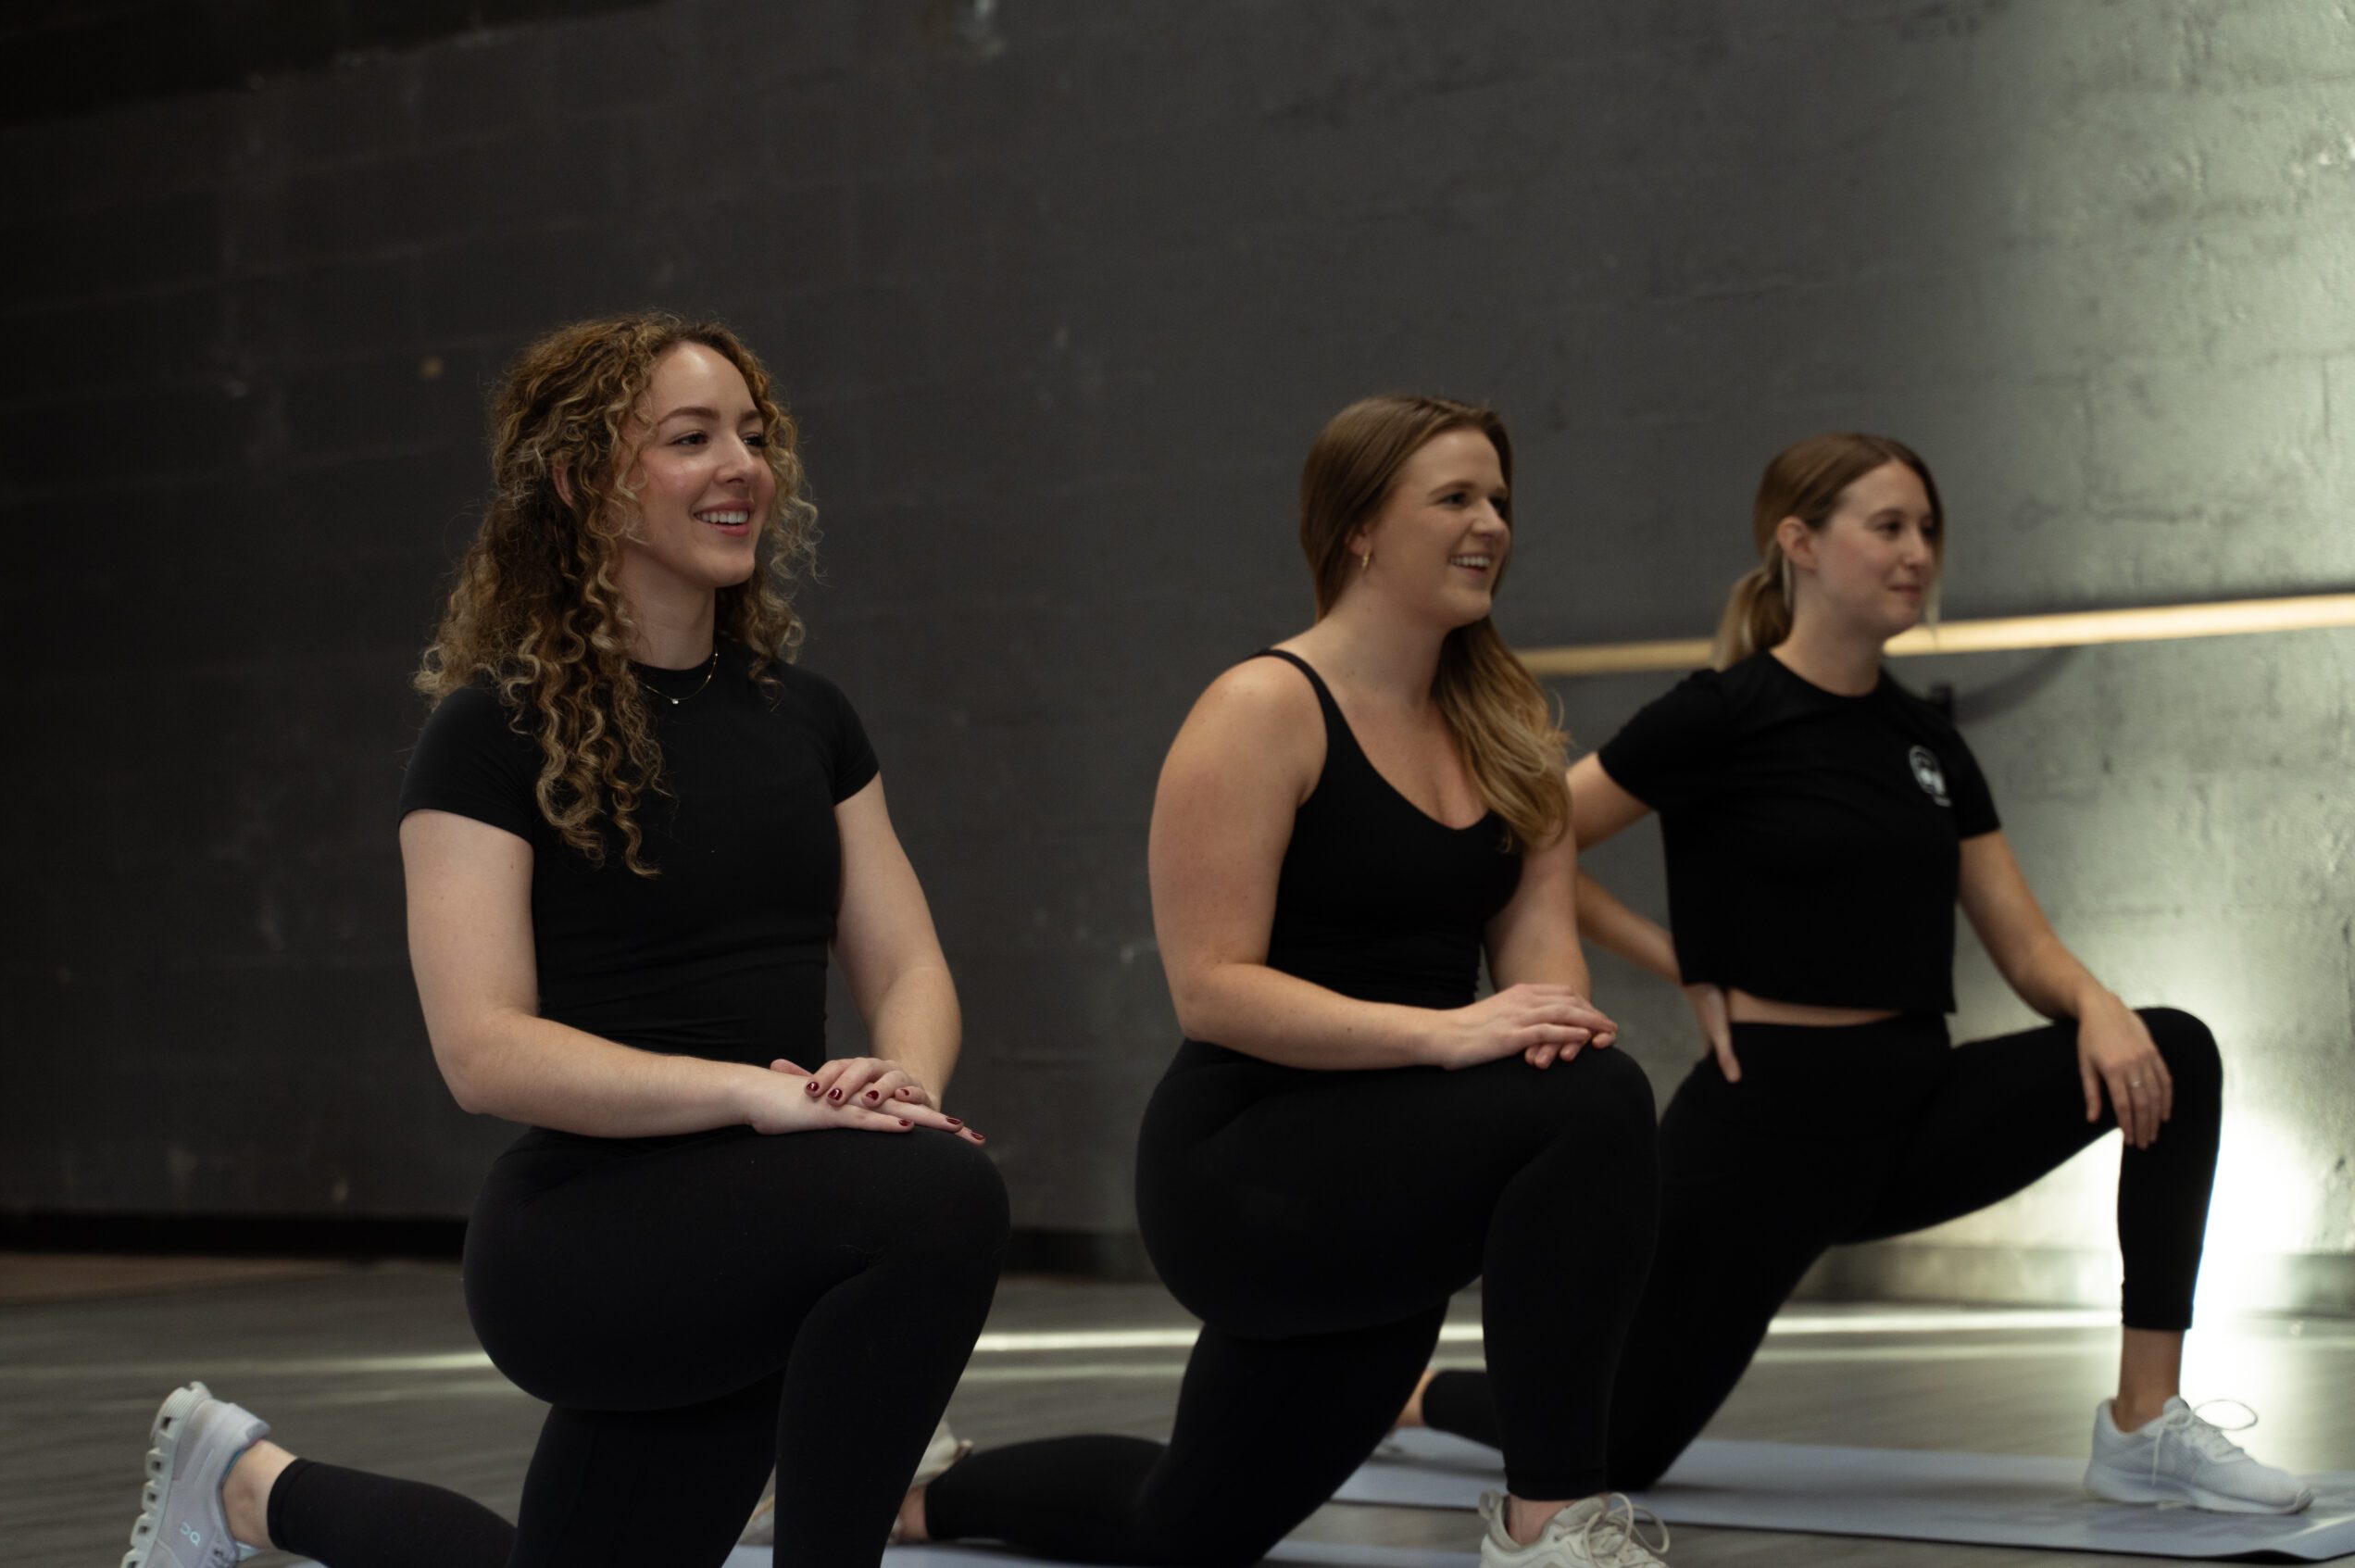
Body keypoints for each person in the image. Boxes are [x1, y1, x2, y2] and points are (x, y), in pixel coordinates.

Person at [118, 313, 1009, 1568]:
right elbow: (484, 1050)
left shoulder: (809, 719)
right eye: (691, 438)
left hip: (773, 1214)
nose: (741, 465)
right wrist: (762, 1097)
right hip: (593, 1242)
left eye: (753, 435)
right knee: (941, 1196)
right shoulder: (487, 735)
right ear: (585, 480)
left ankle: (252, 1484)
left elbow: (909, 965)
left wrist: (903, 1075)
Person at [1407, 432, 2311, 1516]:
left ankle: (2143, 1425)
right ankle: (1414, 1399)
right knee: (1622, 1440)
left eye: (1927, 529)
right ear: (1799, 542)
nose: (1917, 551)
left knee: (2176, 1050)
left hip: (1911, 1111)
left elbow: (2020, 944)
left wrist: (2098, 1005)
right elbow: (1533, 835)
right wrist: (1678, 961)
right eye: (1887, 526)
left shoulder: (1928, 740)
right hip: (1759, 1137)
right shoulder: (1721, 714)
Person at [906, 395, 1669, 1568]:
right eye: (1454, 498)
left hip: (1394, 1173)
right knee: (1600, 1100)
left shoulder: (1510, 733)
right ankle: (1550, 1528)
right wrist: (1449, 1034)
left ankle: (912, 1497)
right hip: (1250, 1169)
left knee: (1186, 1527)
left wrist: (1530, 1028)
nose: (1491, 525)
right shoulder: (1262, 707)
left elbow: (1541, 984)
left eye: (1500, 500)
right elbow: (1212, 989)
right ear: (1358, 528)